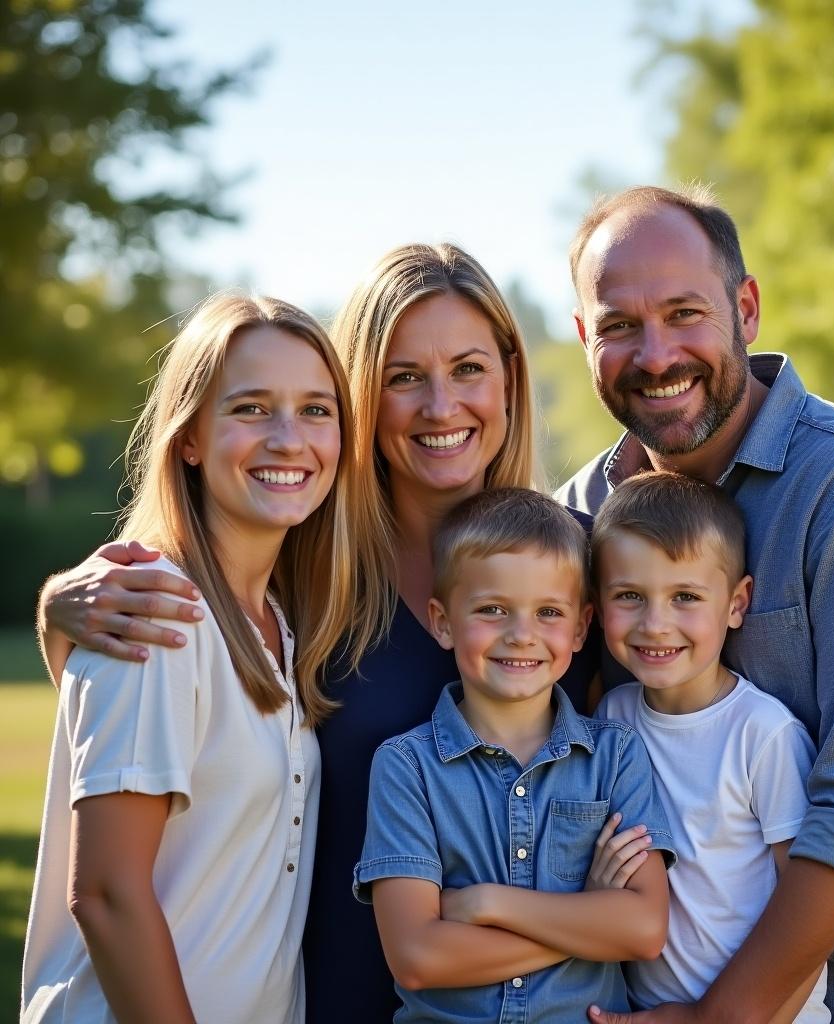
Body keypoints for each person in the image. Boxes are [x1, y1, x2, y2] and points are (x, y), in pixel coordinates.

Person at [34, 243, 601, 1021]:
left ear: (510, 376)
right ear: (364, 395)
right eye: (404, 377)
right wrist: (60, 607)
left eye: (469, 368)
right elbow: (133, 722)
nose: (441, 407)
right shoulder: (304, 570)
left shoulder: (580, 566)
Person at [556, 185, 834, 1023]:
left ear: (746, 308)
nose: (655, 353)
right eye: (617, 326)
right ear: (581, 338)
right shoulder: (580, 514)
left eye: (685, 313)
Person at [21, 293, 357, 1023]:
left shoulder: (280, 625)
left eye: (316, 409)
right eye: (251, 408)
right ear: (190, 439)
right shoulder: (152, 611)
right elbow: (107, 897)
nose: (289, 438)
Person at [355, 487, 675, 1022]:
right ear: (442, 621)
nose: (521, 635)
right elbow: (417, 958)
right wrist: (587, 920)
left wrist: (488, 906)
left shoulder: (616, 756)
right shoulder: (406, 766)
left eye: (548, 611)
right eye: (492, 609)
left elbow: (643, 931)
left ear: (580, 628)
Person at [590, 470, 829, 1022]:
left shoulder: (762, 734)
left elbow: (806, 909)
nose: (656, 624)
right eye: (629, 596)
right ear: (598, 606)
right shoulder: (612, 719)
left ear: (736, 603)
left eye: (685, 597)